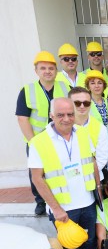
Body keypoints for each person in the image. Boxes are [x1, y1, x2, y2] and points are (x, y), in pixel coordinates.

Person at [28, 97, 102, 249]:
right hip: (64, 209)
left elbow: (93, 162)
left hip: (87, 202)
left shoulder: (83, 133)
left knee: (88, 243)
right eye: (61, 115)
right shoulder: (39, 142)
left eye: (70, 114)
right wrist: (55, 208)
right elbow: (37, 178)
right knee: (71, 248)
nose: (67, 118)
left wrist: (98, 190)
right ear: (52, 116)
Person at [16, 51, 69, 215]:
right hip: (37, 139)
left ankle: (59, 196)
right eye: (43, 68)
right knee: (37, 172)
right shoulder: (27, 90)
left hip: (59, 138)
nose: (48, 71)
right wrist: (33, 142)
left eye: (51, 68)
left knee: (59, 169)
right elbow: (22, 118)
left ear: (56, 70)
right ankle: (40, 201)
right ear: (36, 71)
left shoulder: (64, 87)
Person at [70, 87, 108, 183]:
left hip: (93, 178)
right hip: (69, 179)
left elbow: (102, 158)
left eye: (86, 103)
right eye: (77, 103)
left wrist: (83, 175)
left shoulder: (100, 128)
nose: (82, 106)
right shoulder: (61, 127)